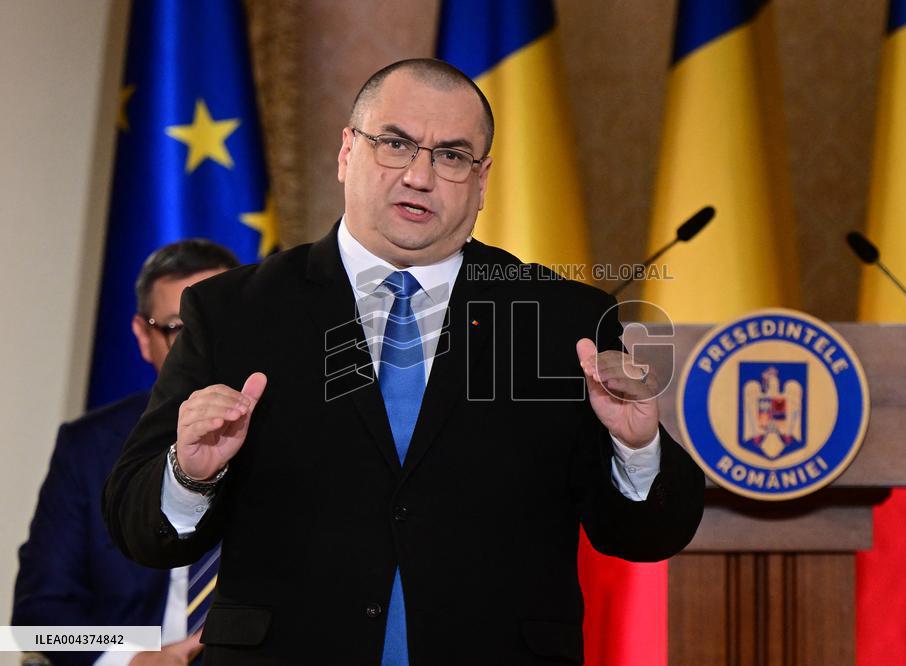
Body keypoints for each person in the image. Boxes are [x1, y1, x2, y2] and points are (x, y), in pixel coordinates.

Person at [103, 59, 704, 665]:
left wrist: (638, 449)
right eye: (395, 144)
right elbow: (137, 527)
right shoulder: (233, 311)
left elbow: (646, 537)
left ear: (482, 179)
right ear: (347, 152)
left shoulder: (562, 321)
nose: (420, 175)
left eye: (451, 155)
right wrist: (191, 473)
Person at [13, 240, 240, 666]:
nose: (201, 345)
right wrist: (130, 658)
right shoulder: (90, 447)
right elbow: (36, 622)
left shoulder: (296, 430)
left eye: (217, 323)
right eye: (178, 328)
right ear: (143, 335)